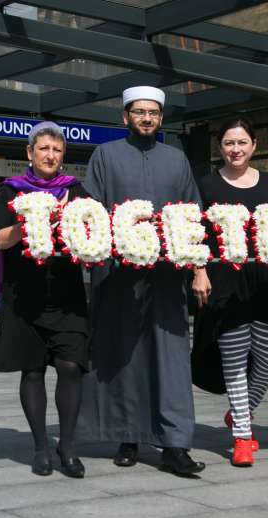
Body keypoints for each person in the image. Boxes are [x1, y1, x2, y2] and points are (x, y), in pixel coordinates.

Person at [76, 86, 206, 476]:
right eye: (139, 112)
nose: (147, 118)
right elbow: (90, 212)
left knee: (171, 360)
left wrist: (198, 269)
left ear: (161, 118)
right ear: (125, 117)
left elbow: (193, 216)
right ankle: (127, 436)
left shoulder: (177, 159)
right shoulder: (105, 156)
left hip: (167, 279)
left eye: (153, 113)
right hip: (118, 279)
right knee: (125, 356)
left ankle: (175, 445)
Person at [190, 117, 268, 467]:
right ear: (219, 147)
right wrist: (199, 270)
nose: (235, 149)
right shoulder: (206, 186)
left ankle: (241, 411)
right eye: (228, 143)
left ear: (254, 145)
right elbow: (195, 233)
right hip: (223, 279)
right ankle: (242, 435)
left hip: (266, 279)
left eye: (241, 142)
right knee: (234, 358)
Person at [0, 121, 89, 478]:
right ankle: (40, 447)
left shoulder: (75, 190)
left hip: (66, 296)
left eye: (57, 150)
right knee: (32, 370)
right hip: (25, 294)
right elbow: (0, 240)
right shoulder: (10, 192)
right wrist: (32, 219)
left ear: (64, 156)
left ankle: (68, 445)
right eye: (43, 149)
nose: (50, 155)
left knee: (70, 366)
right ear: (29, 153)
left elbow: (98, 231)